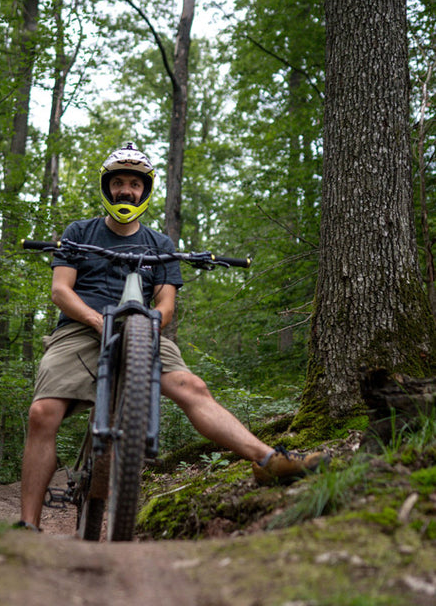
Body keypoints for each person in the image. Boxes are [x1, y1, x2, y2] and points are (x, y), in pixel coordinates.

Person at [17, 143, 327, 531]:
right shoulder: (80, 232)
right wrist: (97, 321)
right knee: (42, 413)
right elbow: (61, 291)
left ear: (144, 191)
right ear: (106, 187)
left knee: (191, 386)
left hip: (141, 328)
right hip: (83, 328)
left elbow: (165, 304)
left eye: (134, 183)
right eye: (118, 183)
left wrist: (147, 329)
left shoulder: (160, 245)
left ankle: (269, 460)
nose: (125, 191)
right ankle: (28, 524)